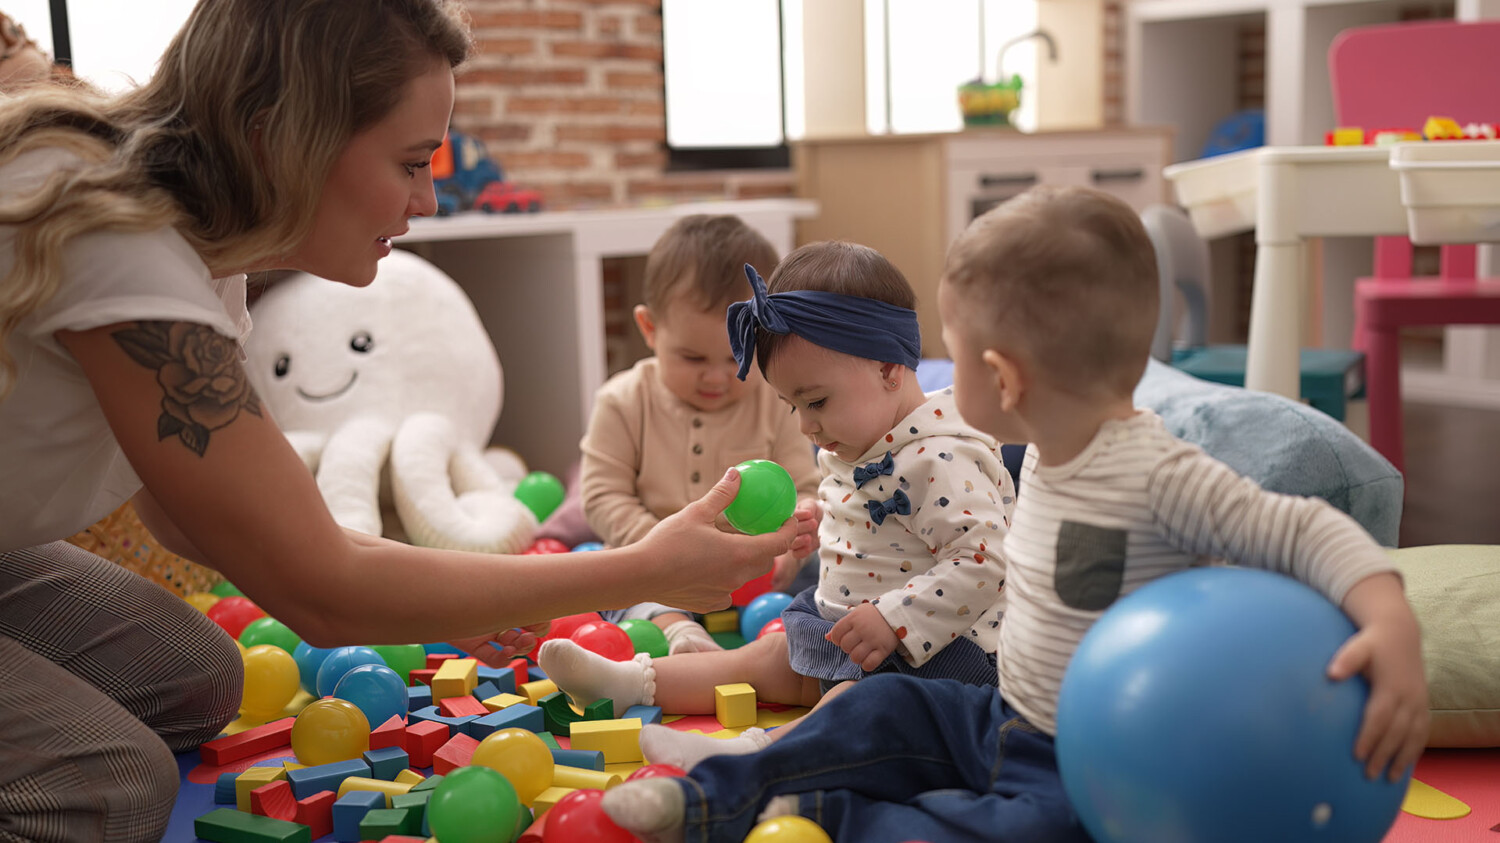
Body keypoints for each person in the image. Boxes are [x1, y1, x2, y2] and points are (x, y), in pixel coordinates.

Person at [0, 1, 792, 840]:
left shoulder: (206, 249)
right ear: (283, 137)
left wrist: (464, 596)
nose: (431, 193)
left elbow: (211, 518)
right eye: (412, 160)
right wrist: (638, 568)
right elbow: (322, 587)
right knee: (112, 786)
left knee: (197, 677)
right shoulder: (117, 237)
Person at [596, 186, 1430, 843]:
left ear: (1003, 376)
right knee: (871, 707)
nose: (935, 375)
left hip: (1093, 759)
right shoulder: (1044, 454)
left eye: (951, 357)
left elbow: (1303, 526)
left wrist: (1388, 616)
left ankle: (812, 820)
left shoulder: (1156, 471)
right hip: (1001, 713)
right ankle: (714, 792)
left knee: (1009, 830)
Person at [540, 240, 1014, 769]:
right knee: (766, 656)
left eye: (815, 402)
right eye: (792, 406)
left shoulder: (941, 457)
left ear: (888, 369)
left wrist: (895, 619)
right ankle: (630, 682)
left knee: (860, 704)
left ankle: (749, 756)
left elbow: (984, 561)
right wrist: (816, 522)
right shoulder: (862, 434)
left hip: (937, 655)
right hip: (848, 631)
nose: (805, 426)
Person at [578, 214, 821, 654]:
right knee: (613, 583)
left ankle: (800, 639)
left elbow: (805, 486)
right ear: (650, 329)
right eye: (692, 358)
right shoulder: (622, 401)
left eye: (736, 358)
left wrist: (796, 537)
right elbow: (602, 497)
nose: (716, 377)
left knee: (830, 570)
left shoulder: (774, 399)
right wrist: (659, 552)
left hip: (756, 569)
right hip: (656, 565)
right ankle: (681, 635)